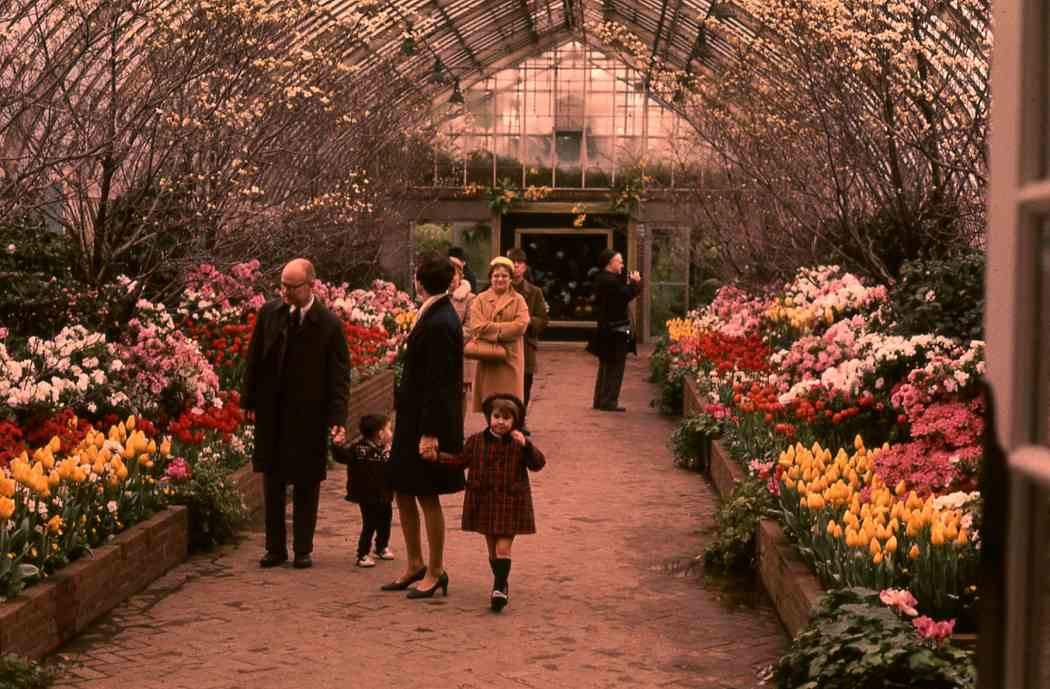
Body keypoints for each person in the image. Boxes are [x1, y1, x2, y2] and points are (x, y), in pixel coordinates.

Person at [241, 258, 351, 569]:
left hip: (308, 414)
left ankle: (303, 548)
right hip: (272, 412)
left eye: (293, 287)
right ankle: (274, 548)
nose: (285, 292)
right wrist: (249, 402)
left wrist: (337, 420)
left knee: (306, 481)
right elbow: (254, 359)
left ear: (311, 286)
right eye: (283, 286)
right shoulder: (270, 314)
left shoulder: (328, 324)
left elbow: (339, 376)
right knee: (272, 481)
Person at [383, 252, 465, 598]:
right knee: (403, 488)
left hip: (428, 424)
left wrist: (430, 433)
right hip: (411, 418)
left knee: (427, 494)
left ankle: (435, 570)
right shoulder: (433, 313)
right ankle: (415, 563)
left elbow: (440, 383)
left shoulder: (442, 322)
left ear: (419, 280)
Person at [421, 394, 545, 612]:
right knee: (492, 550)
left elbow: (538, 464)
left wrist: (527, 446)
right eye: (496, 416)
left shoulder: (518, 443)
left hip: (511, 502)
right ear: (489, 417)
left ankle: (499, 588)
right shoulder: (476, 441)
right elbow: (460, 461)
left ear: (514, 421)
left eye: (507, 418)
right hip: (484, 501)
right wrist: (438, 457)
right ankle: (501, 582)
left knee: (503, 548)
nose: (500, 422)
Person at [467, 257, 530, 413]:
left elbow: (521, 326)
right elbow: (475, 326)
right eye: (496, 276)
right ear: (490, 278)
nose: (500, 279)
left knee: (510, 405)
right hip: (487, 356)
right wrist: (505, 329)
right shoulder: (480, 299)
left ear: (510, 279)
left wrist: (489, 329)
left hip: (510, 358)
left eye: (504, 276)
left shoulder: (518, 300)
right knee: (490, 403)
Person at [335, 413, 395, 568]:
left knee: (386, 520)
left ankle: (381, 546)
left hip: (385, 493)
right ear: (380, 434)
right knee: (370, 523)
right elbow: (343, 457)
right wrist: (336, 446)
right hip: (366, 495)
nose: (391, 432)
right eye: (389, 429)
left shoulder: (387, 449)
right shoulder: (359, 449)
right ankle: (362, 554)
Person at [587, 249, 642, 413]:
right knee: (614, 367)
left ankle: (601, 399)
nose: (622, 264)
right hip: (615, 330)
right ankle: (608, 401)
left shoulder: (604, 279)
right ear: (610, 263)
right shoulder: (609, 281)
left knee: (606, 366)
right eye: (619, 261)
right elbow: (623, 297)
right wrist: (635, 283)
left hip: (608, 329)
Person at [506, 247, 549, 418]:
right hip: (504, 344)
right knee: (504, 384)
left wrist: (527, 320)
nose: (516, 266)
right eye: (513, 263)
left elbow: (543, 319)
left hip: (526, 344)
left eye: (520, 263)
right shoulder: (497, 287)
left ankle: (520, 420)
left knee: (525, 384)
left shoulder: (534, 292)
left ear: (525, 267)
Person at [448, 256, 477, 416]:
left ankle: (458, 432)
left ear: (460, 275)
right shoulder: (437, 297)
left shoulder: (470, 299)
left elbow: (471, 328)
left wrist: (446, 335)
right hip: (440, 354)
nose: (452, 278)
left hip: (460, 354)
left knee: (459, 396)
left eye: (455, 273)